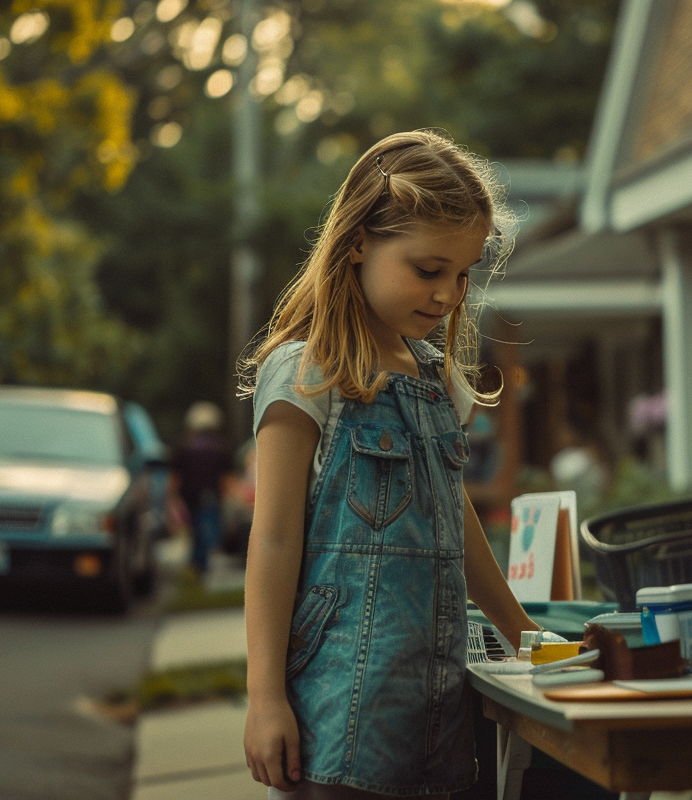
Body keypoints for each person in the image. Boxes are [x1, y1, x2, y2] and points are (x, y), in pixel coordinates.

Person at [239, 130, 542, 799]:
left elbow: (452, 512)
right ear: (358, 244)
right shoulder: (305, 372)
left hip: (440, 706)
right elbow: (276, 538)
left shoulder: (437, 378)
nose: (447, 295)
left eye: (462, 275)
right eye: (428, 270)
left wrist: (524, 632)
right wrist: (264, 698)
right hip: (341, 708)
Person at [170, 400, 234, 576]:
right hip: (209, 497)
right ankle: (200, 565)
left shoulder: (184, 448)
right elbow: (226, 479)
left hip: (189, 497)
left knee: (196, 532)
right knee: (205, 531)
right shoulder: (220, 449)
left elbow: (175, 477)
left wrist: (172, 499)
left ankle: (197, 565)